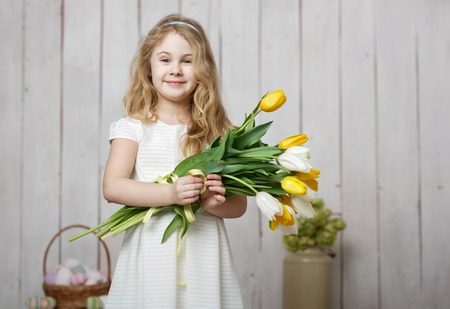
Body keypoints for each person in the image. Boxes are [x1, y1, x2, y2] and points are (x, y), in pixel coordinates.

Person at [103, 13, 247, 308]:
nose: (176, 70)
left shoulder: (220, 132)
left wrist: (213, 202)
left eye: (187, 60)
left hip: (203, 249)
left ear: (202, 69)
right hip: (152, 249)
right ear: (148, 67)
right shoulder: (134, 127)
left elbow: (239, 206)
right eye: (165, 60)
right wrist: (170, 193)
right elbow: (113, 186)